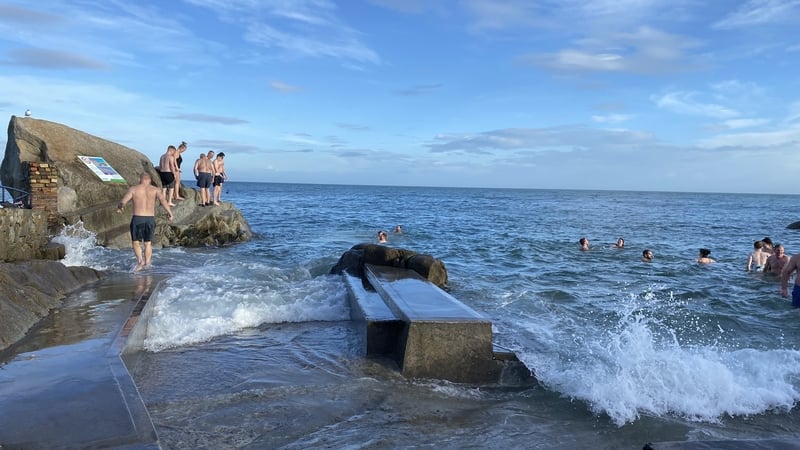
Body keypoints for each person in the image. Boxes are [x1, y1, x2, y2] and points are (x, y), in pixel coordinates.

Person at [117, 172, 173, 271]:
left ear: (140, 179)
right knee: (148, 243)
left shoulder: (133, 189)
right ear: (150, 180)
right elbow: (163, 201)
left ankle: (140, 261)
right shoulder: (155, 190)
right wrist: (170, 213)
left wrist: (120, 207)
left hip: (137, 218)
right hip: (150, 219)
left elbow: (123, 201)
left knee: (136, 242)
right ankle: (147, 264)